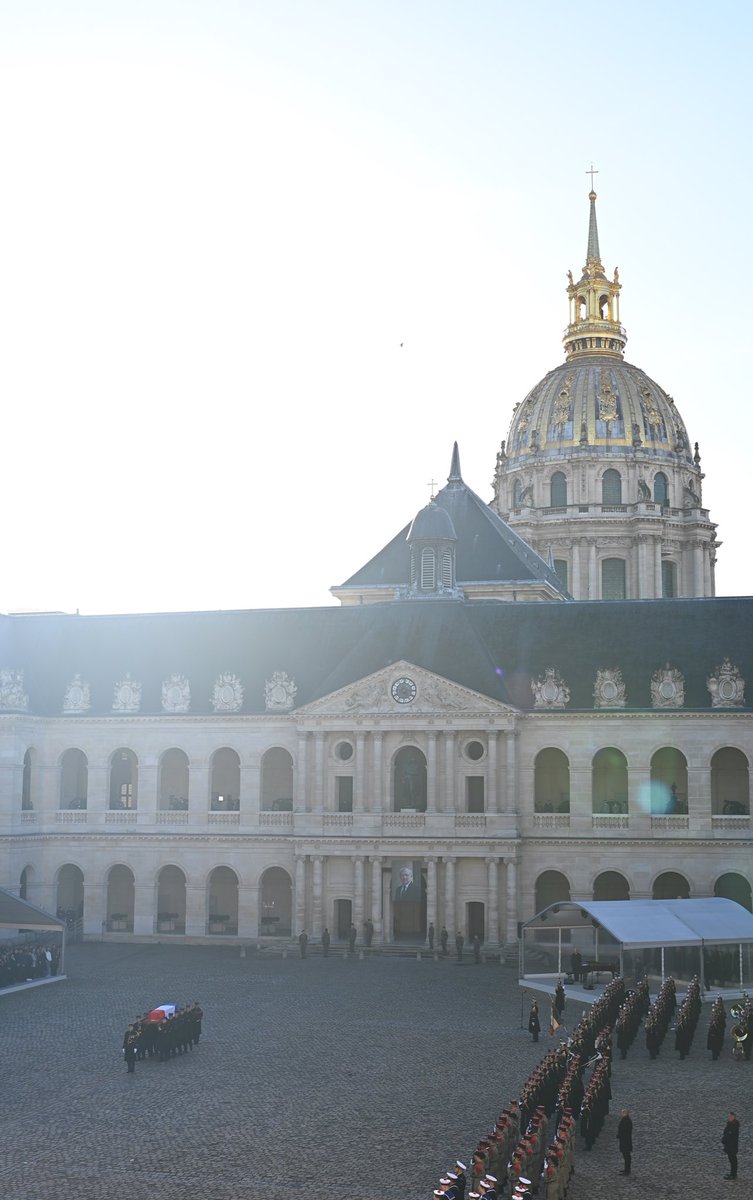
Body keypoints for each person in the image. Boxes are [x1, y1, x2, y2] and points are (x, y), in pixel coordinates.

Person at [722, 1112, 740, 1180]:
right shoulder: (732, 1124)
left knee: (733, 1161)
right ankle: (733, 1173)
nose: (729, 1117)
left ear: (733, 1117)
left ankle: (733, 1175)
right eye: (728, 1116)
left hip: (731, 1146)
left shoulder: (733, 1126)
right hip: (731, 1146)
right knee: (732, 1160)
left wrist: (724, 1140)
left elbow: (729, 1135)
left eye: (730, 1117)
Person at [617, 1108, 633, 1175]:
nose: (621, 1114)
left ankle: (627, 1170)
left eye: (622, 1113)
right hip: (625, 1141)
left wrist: (619, 1135)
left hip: (625, 1141)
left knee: (626, 1156)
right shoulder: (626, 1120)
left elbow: (624, 1131)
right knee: (626, 1156)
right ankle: (626, 1169)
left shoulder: (627, 1121)